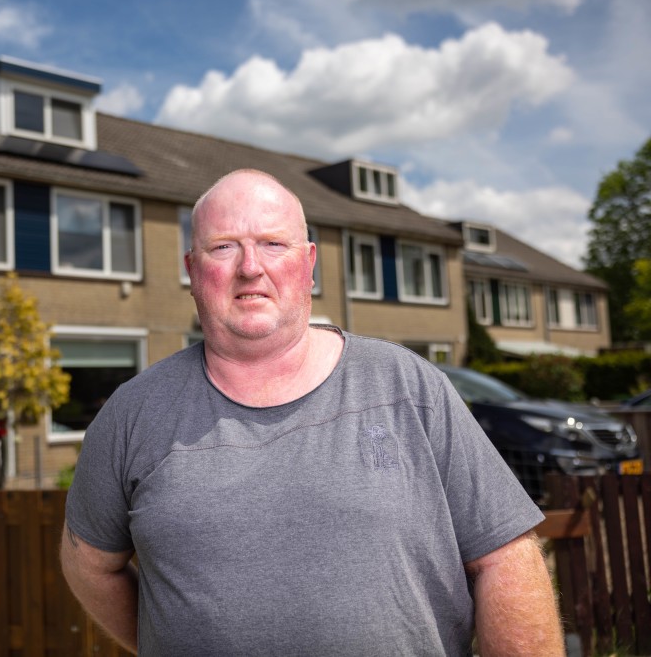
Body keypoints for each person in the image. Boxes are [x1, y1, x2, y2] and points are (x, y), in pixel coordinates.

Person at [60, 169, 565, 655]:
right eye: (223, 246)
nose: (250, 267)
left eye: (273, 244)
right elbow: (92, 568)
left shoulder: (408, 386)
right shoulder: (132, 413)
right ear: (192, 270)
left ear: (308, 263)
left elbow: (505, 560)